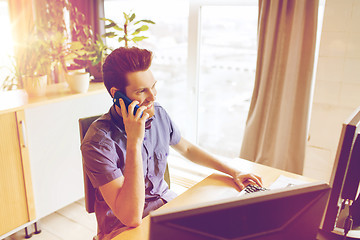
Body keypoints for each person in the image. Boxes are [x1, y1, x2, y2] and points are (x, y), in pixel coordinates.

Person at [81, 47, 263, 240]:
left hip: (167, 208)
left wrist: (235, 172)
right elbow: (131, 217)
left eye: (153, 86)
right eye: (142, 91)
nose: (152, 97)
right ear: (117, 95)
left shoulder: (157, 113)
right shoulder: (97, 143)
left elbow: (188, 148)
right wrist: (135, 141)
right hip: (122, 229)